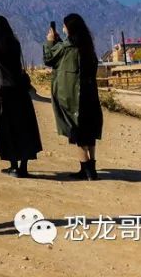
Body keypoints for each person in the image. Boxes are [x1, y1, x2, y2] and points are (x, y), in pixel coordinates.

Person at [0, 16, 42, 178]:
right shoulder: (15, 45)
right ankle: (24, 167)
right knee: (24, 129)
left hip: (3, 95)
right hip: (20, 92)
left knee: (8, 129)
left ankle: (13, 167)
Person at [43, 13, 104, 180]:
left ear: (69, 28)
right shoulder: (88, 47)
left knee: (78, 133)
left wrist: (50, 41)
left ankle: (86, 170)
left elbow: (49, 58)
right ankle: (91, 168)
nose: (62, 29)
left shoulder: (66, 48)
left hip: (72, 97)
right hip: (90, 95)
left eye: (64, 26)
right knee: (89, 132)